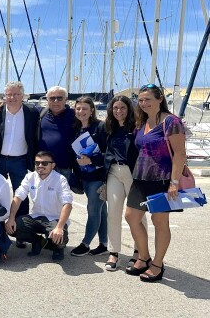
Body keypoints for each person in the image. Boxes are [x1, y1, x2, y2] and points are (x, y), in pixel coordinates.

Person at [124, 84, 186, 282]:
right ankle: (143, 257)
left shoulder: (171, 121)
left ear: (160, 99)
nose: (143, 103)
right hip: (141, 179)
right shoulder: (143, 121)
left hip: (162, 180)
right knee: (131, 217)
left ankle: (157, 265)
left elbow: (180, 154)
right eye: (141, 100)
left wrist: (174, 183)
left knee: (159, 222)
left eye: (148, 99)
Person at [0, 81, 39, 248]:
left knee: (22, 197)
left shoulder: (32, 112)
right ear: (4, 96)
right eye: (9, 94)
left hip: (20, 160)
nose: (12, 97)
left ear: (22, 96)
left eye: (16, 94)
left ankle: (20, 233)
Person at [102, 96, 147, 271]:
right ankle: (113, 252)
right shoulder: (109, 127)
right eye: (115, 108)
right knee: (113, 213)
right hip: (114, 172)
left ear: (129, 109)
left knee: (138, 215)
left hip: (133, 174)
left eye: (122, 108)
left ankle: (139, 252)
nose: (118, 111)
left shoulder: (137, 128)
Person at [6, 151, 73, 261]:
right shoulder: (30, 177)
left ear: (53, 165)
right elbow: (17, 197)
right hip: (36, 217)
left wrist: (60, 227)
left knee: (61, 235)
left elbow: (68, 204)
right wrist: (11, 218)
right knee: (12, 228)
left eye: (44, 163)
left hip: (54, 219)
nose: (40, 166)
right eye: (37, 163)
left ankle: (58, 248)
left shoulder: (60, 180)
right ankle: (38, 242)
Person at [69, 96, 108, 257]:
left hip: (98, 177)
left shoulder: (100, 127)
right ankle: (104, 244)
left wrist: (92, 159)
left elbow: (108, 153)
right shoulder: (76, 129)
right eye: (78, 108)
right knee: (101, 211)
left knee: (93, 211)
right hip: (84, 177)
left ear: (92, 110)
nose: (81, 111)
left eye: (85, 108)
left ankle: (85, 244)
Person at [37, 86, 76, 184]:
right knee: (41, 196)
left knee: (61, 198)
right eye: (52, 98)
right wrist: (1, 104)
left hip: (64, 167)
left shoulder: (74, 115)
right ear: (47, 100)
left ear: (66, 99)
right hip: (43, 165)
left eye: (59, 98)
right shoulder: (40, 113)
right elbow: (19, 106)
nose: (56, 101)